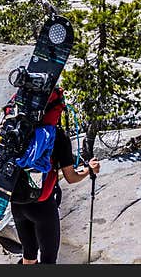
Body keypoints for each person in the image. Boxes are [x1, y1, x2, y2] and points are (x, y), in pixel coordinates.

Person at [7, 87, 100, 264]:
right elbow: (71, 177)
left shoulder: (16, 130)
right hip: (43, 207)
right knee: (49, 259)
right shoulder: (57, 136)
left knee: (29, 254)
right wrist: (89, 169)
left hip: (17, 203)